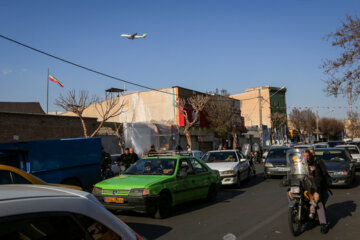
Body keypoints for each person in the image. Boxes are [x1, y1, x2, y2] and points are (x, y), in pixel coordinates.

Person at [304, 150, 330, 234]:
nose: (306, 157)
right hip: (305, 186)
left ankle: (323, 224)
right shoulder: (301, 164)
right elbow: (295, 172)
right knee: (289, 192)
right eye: (305, 155)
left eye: (308, 155)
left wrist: (316, 183)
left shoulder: (316, 163)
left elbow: (319, 175)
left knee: (318, 203)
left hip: (316, 186)